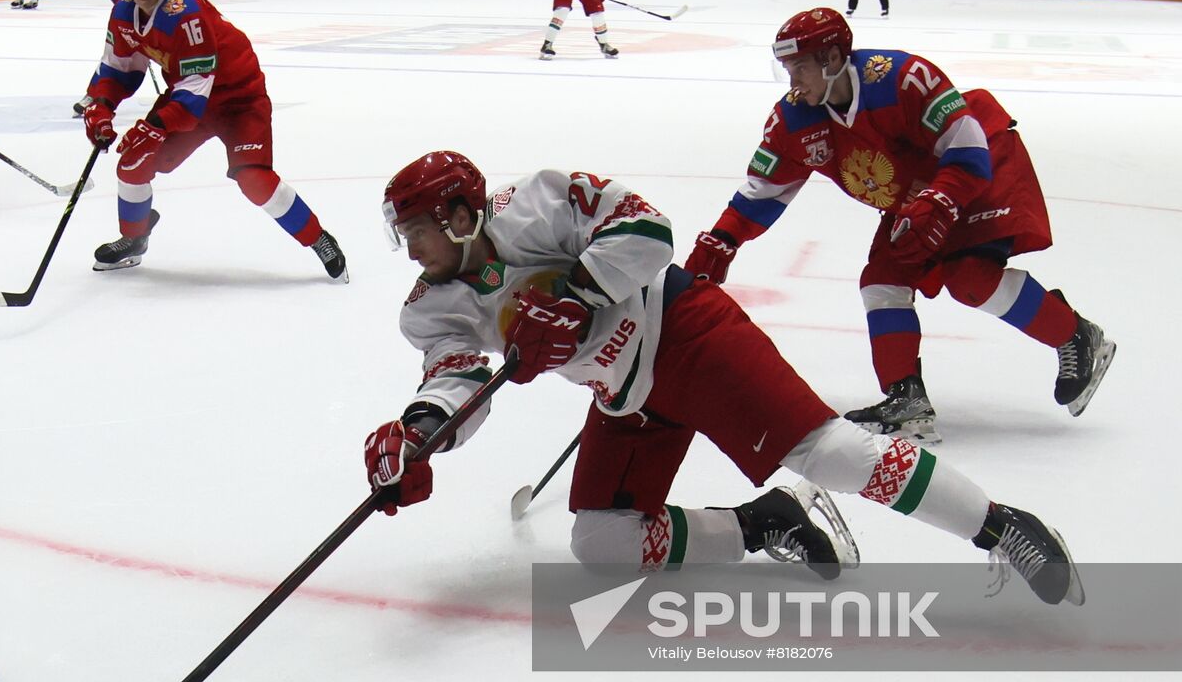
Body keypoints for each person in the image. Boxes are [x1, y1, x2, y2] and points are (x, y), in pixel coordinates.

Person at [364, 150, 1086, 606]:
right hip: (626, 394)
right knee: (602, 544)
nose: (409, 252)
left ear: (460, 215)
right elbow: (453, 379)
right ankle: (766, 520)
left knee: (829, 453)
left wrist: (576, 294)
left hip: (685, 329)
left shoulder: (537, 199)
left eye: (416, 232)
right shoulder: (433, 306)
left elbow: (648, 232)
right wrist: (420, 436)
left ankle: (1001, 526)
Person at [685, 8, 1115, 442]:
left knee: (970, 279)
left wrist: (941, 200)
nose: (793, 81)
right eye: (787, 69)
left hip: (978, 165)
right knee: (882, 280)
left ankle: (1077, 335)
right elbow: (764, 190)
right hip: (915, 198)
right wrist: (722, 240)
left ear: (833, 58)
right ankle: (905, 396)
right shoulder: (795, 120)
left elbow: (966, 147)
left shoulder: (901, 78)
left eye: (800, 67)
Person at [78, 0, 348, 280]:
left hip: (239, 99)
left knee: (254, 180)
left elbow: (194, 90)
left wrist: (155, 125)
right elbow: (118, 70)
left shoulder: (185, 11)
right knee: (133, 164)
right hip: (190, 100)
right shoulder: (122, 14)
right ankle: (134, 237)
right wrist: (101, 107)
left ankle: (319, 239)